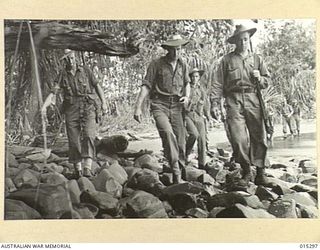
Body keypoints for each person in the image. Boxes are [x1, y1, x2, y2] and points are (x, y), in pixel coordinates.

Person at [212, 24, 272, 187]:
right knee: (238, 138)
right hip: (233, 100)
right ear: (235, 42)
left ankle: (260, 172)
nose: (243, 43)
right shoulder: (226, 60)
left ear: (249, 40)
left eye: (245, 39)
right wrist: (214, 103)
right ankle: (246, 171)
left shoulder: (257, 59)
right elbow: (217, 83)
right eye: (240, 40)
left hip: (253, 98)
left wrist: (260, 78)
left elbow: (267, 81)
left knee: (258, 136)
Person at [134, 34, 190, 184]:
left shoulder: (183, 64)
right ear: (167, 49)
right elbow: (146, 85)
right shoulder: (156, 64)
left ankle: (180, 171)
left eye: (179, 49)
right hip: (160, 105)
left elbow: (187, 83)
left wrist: (187, 96)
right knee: (167, 133)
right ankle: (176, 173)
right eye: (173, 50)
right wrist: (137, 107)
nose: (176, 53)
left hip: (177, 106)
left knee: (181, 141)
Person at [42, 49, 107, 178]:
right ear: (64, 61)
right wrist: (44, 107)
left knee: (89, 135)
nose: (70, 61)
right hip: (71, 109)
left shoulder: (86, 70)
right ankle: (78, 169)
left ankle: (87, 167)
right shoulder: (62, 75)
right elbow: (53, 92)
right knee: (73, 140)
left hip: (88, 106)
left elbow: (97, 86)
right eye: (67, 59)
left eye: (71, 57)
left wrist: (104, 102)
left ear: (75, 57)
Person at [185, 68, 211, 169]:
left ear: (199, 77)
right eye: (192, 76)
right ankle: (185, 154)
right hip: (188, 115)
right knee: (194, 134)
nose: (194, 78)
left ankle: (202, 164)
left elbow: (205, 103)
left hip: (199, 116)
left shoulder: (201, 89)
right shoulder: (186, 88)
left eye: (196, 76)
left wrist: (208, 116)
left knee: (202, 140)